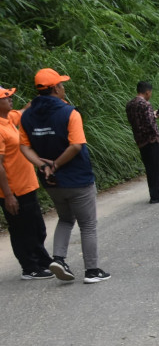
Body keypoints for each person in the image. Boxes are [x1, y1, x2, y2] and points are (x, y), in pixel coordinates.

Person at [18, 68, 109, 283]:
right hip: (77, 178)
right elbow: (76, 145)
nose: (63, 87)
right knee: (87, 224)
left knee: (66, 219)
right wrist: (57, 164)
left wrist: (44, 166)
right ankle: (92, 271)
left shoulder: (27, 115)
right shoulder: (70, 113)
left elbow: (24, 147)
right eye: (61, 84)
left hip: (51, 181)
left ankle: (58, 258)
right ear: (56, 88)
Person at [1, 87, 53, 279]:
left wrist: (43, 96)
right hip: (14, 190)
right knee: (22, 230)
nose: (11, 99)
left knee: (36, 227)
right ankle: (30, 267)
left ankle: (42, 260)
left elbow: (25, 110)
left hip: (26, 186)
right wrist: (8, 195)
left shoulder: (9, 119)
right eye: (6, 97)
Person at [125, 80, 159, 204]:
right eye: (150, 93)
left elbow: (136, 120)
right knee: (155, 168)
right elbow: (149, 123)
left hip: (140, 140)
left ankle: (154, 193)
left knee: (149, 168)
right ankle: (156, 195)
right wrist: (156, 135)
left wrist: (153, 115)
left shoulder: (130, 104)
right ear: (147, 92)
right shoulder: (146, 104)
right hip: (151, 140)